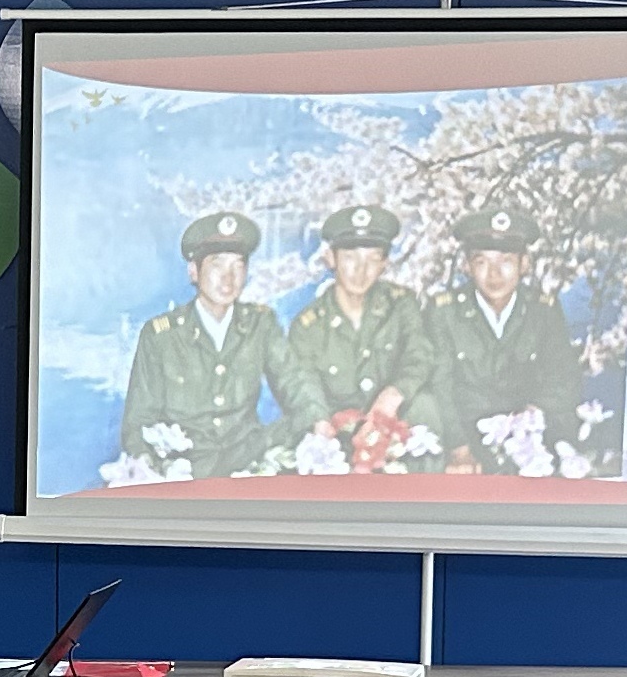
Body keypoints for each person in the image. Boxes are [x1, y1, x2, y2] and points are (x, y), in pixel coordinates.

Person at [113, 211, 293, 481]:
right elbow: (138, 423)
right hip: (184, 472)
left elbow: (295, 384)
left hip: (249, 463)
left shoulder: (261, 324)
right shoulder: (161, 336)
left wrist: (318, 423)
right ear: (194, 271)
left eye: (238, 266)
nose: (228, 278)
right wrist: (150, 466)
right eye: (217, 265)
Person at [429, 215, 591, 476]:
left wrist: (535, 413)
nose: (494, 274)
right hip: (467, 438)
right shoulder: (444, 312)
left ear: (524, 264)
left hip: (533, 433)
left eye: (506, 261)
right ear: (467, 266)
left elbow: (563, 375)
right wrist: (459, 448)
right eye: (482, 262)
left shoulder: (543, 310)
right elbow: (439, 385)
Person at [279, 204, 434, 474]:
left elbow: (419, 355)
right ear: (331, 258)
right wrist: (321, 426)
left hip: (394, 426)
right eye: (350, 257)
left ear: (384, 264)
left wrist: (391, 397)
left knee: (426, 408)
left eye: (372, 259)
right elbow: (305, 387)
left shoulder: (401, 305)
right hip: (336, 434)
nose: (360, 270)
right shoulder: (308, 326)